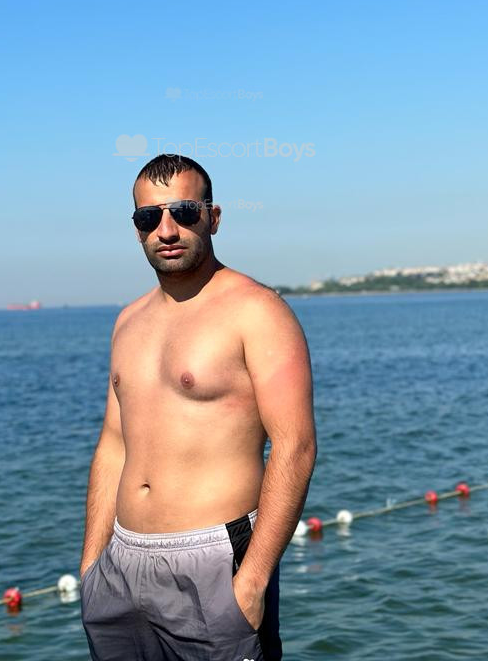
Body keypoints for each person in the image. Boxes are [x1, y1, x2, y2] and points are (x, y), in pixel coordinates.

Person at [80, 154, 316, 660]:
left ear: (213, 217)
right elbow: (113, 445)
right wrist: (92, 566)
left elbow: (295, 447)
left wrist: (251, 583)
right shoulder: (127, 321)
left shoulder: (257, 312)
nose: (166, 230)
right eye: (150, 217)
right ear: (137, 228)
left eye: (184, 212)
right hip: (120, 567)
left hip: (215, 564)